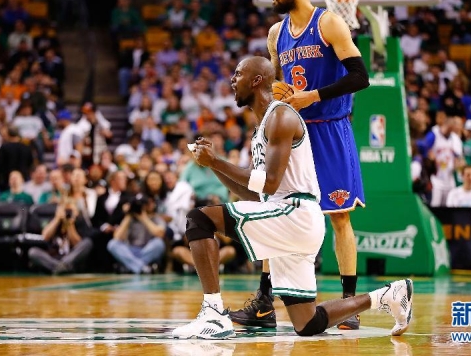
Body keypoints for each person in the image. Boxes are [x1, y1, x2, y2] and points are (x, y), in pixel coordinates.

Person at [171, 56, 412, 339]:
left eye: (238, 74)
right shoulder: (262, 127)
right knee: (307, 323)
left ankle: (213, 314)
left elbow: (270, 182)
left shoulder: (281, 116)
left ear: (257, 80)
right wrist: (213, 165)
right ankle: (386, 296)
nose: (232, 80)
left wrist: (217, 161)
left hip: (294, 213)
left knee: (199, 219)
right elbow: (258, 192)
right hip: (292, 219)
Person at [230, 0, 371, 331]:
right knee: (274, 210)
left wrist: (314, 96)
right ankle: (264, 302)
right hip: (293, 132)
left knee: (340, 217)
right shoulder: (276, 34)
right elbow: (275, 84)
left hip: (330, 128)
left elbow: (361, 77)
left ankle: (349, 304)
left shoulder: (329, 24)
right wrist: (274, 94)